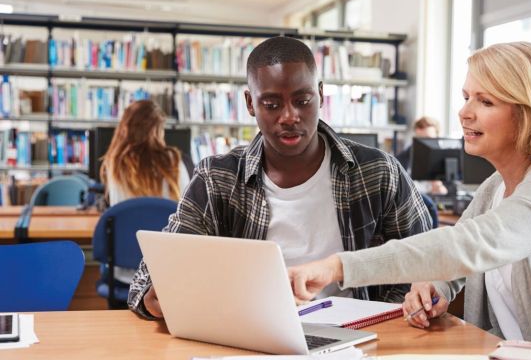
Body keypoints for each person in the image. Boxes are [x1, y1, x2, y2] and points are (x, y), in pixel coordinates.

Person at [288, 42, 531, 360]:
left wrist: (337, 267)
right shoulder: (496, 188)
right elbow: (456, 261)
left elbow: (469, 245)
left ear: (529, 113)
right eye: (466, 96)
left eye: (485, 102)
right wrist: (436, 287)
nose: (464, 112)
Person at [128, 36, 432, 319]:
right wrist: (159, 295)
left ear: (321, 95)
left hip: (361, 336)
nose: (289, 116)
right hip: (249, 334)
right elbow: (146, 279)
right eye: (272, 105)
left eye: (302, 101)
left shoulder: (379, 172)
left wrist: (380, 317)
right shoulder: (217, 178)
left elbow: (426, 261)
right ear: (250, 103)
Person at [100, 99, 191, 285]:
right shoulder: (175, 162)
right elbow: (188, 216)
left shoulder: (114, 164)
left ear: (125, 128)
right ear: (158, 130)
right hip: (167, 274)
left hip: (124, 274)